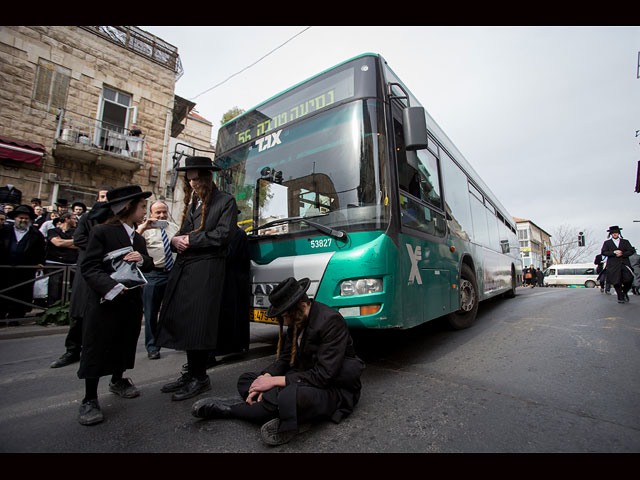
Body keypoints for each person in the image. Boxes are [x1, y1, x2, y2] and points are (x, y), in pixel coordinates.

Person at [191, 277, 365, 446]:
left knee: (288, 397)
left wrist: (273, 382)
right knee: (247, 380)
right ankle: (277, 409)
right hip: (303, 376)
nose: (284, 322)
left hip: (333, 387)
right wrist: (265, 378)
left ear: (302, 306)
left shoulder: (330, 322)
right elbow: (285, 359)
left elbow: (324, 375)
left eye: (285, 317)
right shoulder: (297, 319)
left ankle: (230, 410)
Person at [155, 156, 238, 401]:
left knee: (199, 323)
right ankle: (191, 373)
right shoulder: (192, 203)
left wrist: (190, 241)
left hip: (207, 271)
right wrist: (174, 240)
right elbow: (181, 233)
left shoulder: (225, 201)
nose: (192, 183)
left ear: (207, 177)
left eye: (196, 179)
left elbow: (224, 234)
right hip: (186, 269)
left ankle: (200, 377)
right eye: (189, 179)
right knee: (185, 321)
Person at [76, 185, 153, 426]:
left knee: (125, 341)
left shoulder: (138, 238)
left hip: (130, 302)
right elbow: (89, 267)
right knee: (98, 346)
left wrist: (143, 259)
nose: (145, 212)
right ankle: (89, 398)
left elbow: (148, 264)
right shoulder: (102, 232)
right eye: (142, 207)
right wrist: (111, 288)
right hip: (105, 301)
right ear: (128, 207)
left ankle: (118, 379)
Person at [50, 188, 113, 368]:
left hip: (109, 273)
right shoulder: (87, 218)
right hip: (88, 270)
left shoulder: (116, 220)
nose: (104, 200)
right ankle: (72, 350)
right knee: (80, 313)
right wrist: (103, 247)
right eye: (101, 197)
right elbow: (79, 240)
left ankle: (99, 352)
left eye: (107, 197)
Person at [136, 200, 178, 359]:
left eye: (164, 212)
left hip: (172, 273)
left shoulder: (173, 228)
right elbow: (132, 243)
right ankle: (152, 346)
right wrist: (142, 228)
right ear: (151, 214)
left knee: (174, 310)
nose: (161, 215)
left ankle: (175, 340)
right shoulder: (144, 230)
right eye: (157, 212)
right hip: (153, 274)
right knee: (151, 312)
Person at [0, 205, 46, 325]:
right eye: (21, 218)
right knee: (3, 292)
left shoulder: (36, 234)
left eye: (26, 218)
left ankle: (15, 317)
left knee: (21, 293)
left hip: (24, 270)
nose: (23, 220)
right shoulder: (5, 231)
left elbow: (41, 250)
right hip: (5, 268)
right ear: (15, 218)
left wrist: (40, 262)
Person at [45, 212, 79, 307]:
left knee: (70, 288)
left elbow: (80, 245)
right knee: (54, 287)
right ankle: (52, 309)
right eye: (73, 218)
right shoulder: (53, 231)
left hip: (71, 264)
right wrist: (74, 241)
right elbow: (57, 243)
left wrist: (64, 242)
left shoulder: (75, 232)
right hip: (54, 263)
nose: (76, 221)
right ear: (67, 219)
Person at [600, 226, 636, 304]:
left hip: (624, 263)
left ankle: (624, 292)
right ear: (611, 234)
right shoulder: (607, 243)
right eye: (613, 233)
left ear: (619, 233)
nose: (615, 234)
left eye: (616, 233)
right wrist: (613, 253)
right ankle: (620, 297)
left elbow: (631, 251)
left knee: (629, 279)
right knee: (616, 281)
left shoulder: (625, 242)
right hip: (613, 264)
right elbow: (603, 252)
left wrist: (622, 253)